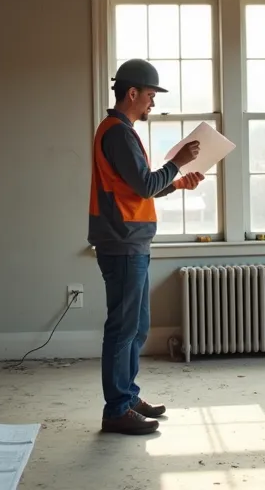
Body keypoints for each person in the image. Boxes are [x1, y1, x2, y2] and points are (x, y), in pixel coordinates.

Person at [88, 58, 204, 435]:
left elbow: (137, 186)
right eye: (151, 96)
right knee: (123, 329)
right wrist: (179, 163)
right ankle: (117, 409)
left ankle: (127, 396)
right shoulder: (118, 132)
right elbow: (143, 184)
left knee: (137, 327)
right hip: (121, 242)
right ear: (132, 93)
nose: (153, 103)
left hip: (131, 240)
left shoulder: (121, 131)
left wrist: (177, 181)